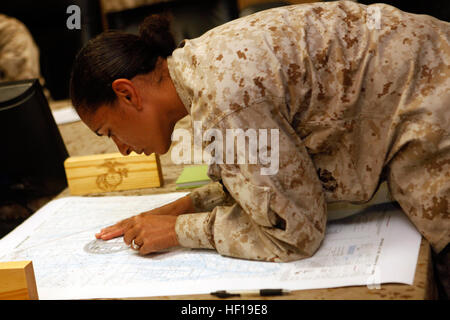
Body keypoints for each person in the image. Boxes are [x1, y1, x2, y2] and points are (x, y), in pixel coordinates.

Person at [70, 1, 449, 263]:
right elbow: (278, 173)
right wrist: (187, 204)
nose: (121, 150)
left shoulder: (224, 101)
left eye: (108, 131)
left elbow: (296, 234)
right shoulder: (201, 65)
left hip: (433, 105)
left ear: (127, 93)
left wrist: (176, 231)